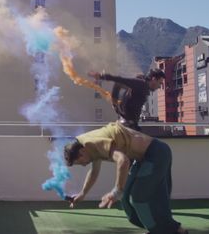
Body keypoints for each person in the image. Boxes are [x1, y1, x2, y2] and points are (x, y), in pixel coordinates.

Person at [63, 69, 188, 234]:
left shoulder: (94, 142)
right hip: (142, 155)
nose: (84, 164)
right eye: (159, 83)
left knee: (139, 197)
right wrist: (82, 194)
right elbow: (94, 171)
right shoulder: (87, 145)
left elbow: (123, 161)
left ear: (81, 152)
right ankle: (163, 228)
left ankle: (165, 230)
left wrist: (116, 191)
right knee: (127, 202)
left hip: (155, 154)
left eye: (80, 163)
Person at [88, 69, 166, 131]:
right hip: (127, 127)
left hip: (131, 126)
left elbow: (119, 83)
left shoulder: (143, 87)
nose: (159, 86)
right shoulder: (141, 85)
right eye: (160, 83)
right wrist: (102, 76)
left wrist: (115, 102)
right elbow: (120, 80)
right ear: (154, 79)